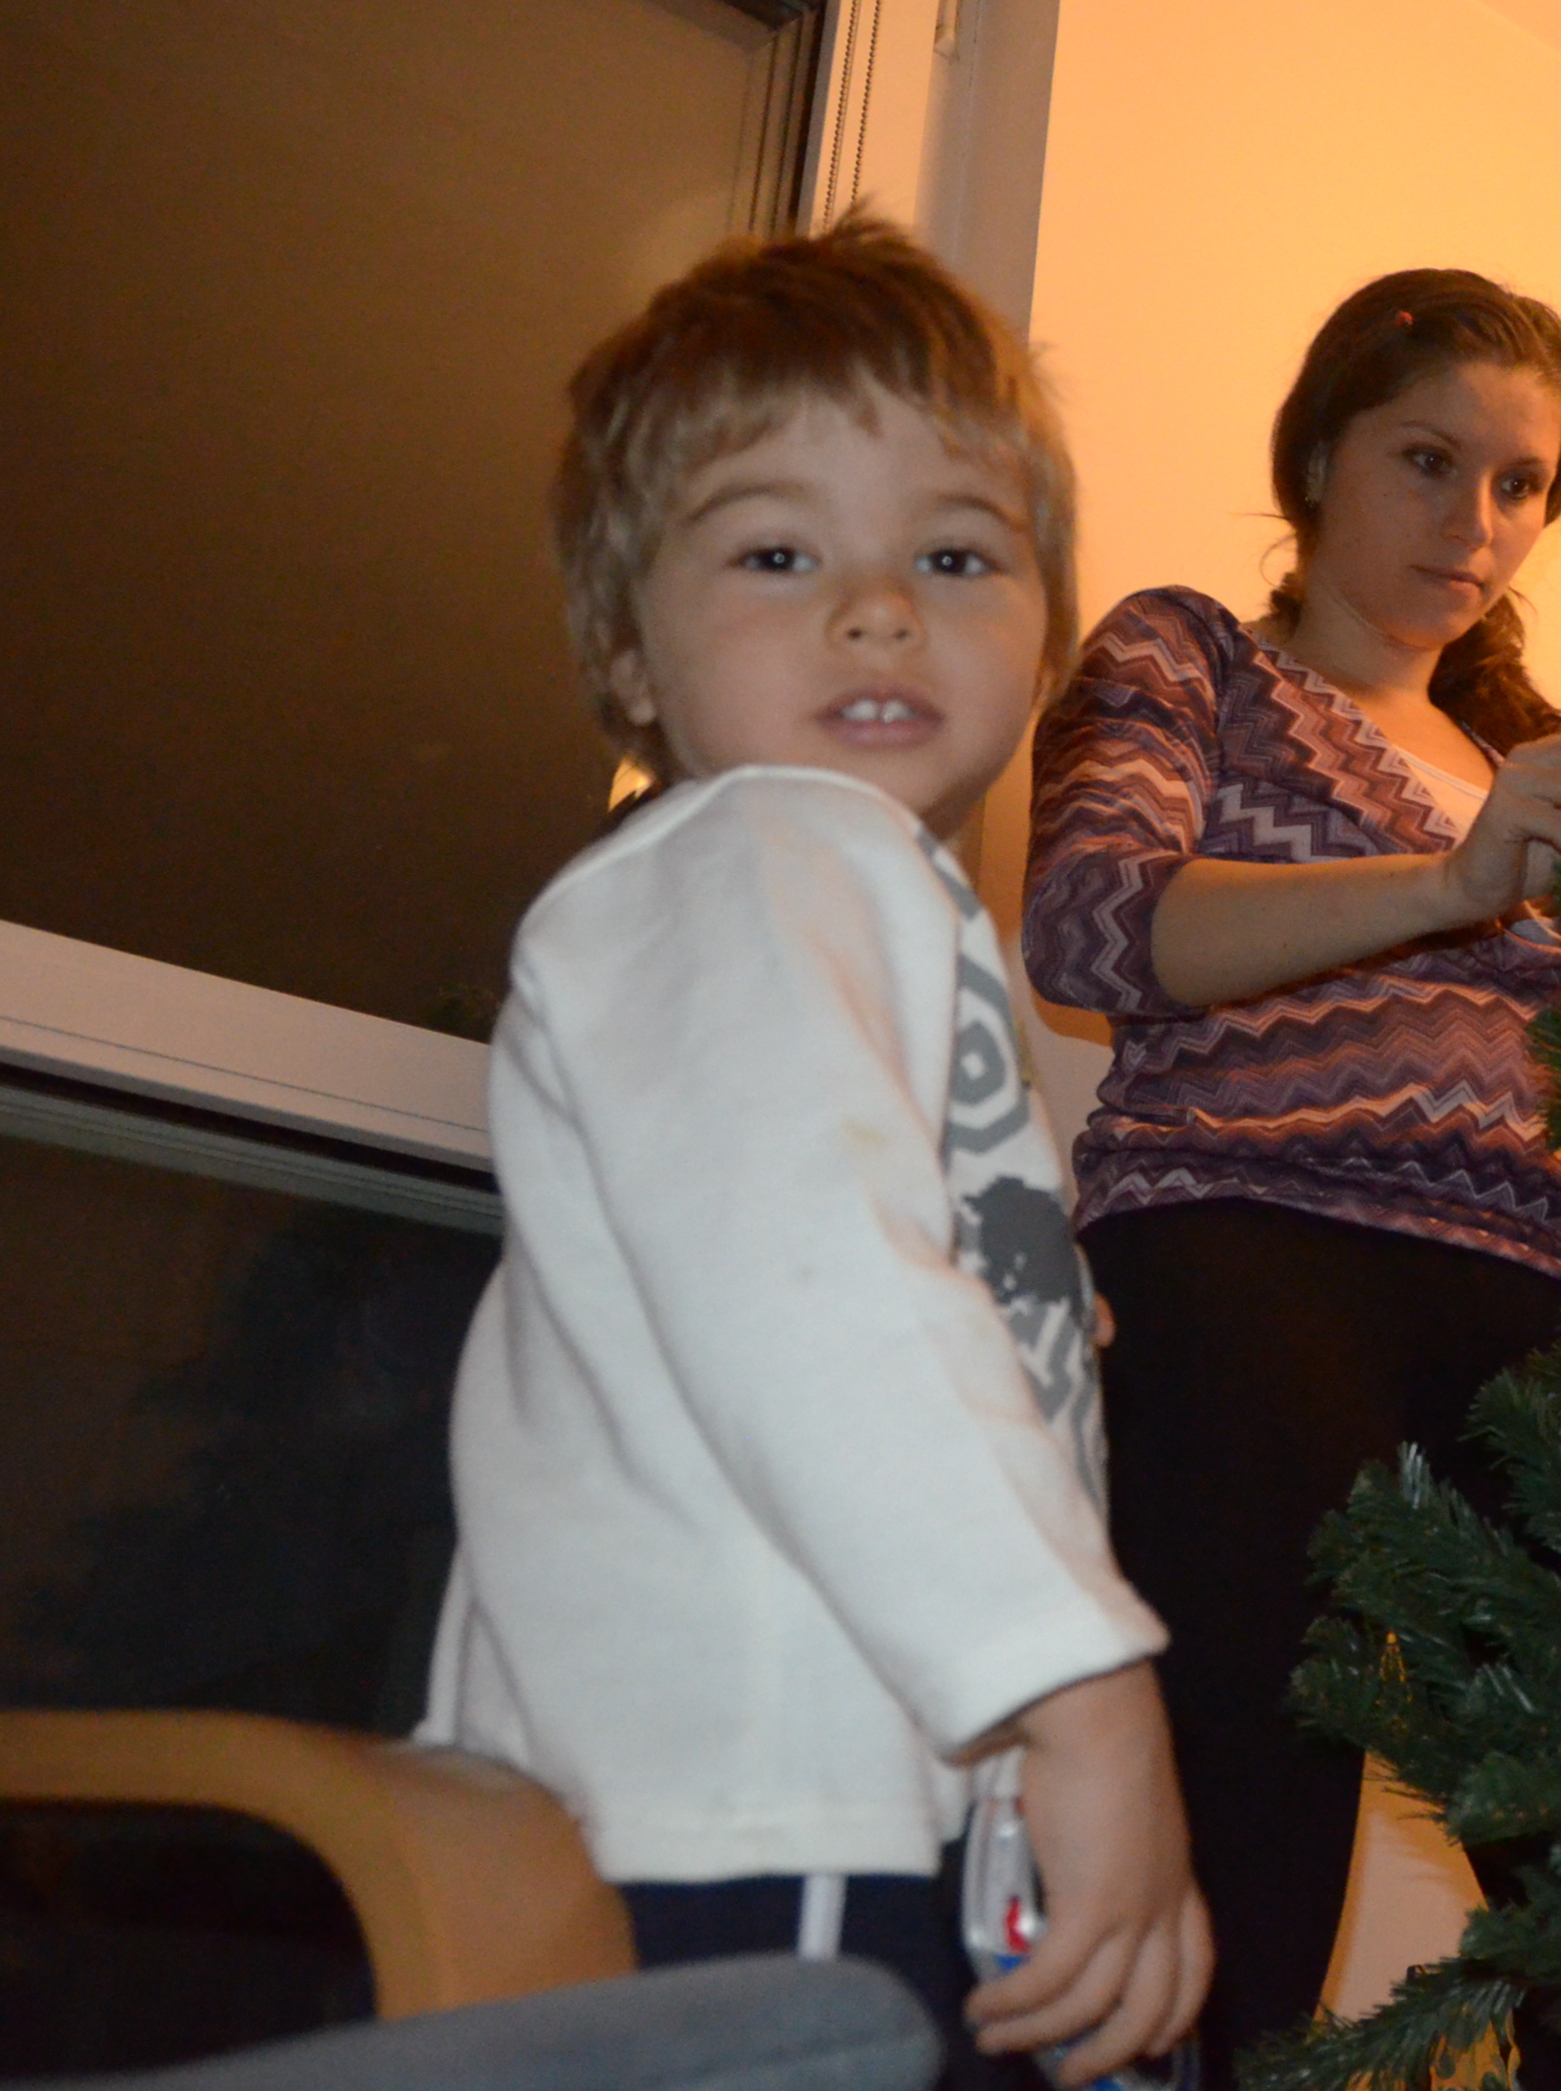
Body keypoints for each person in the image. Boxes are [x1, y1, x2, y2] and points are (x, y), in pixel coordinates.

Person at [422, 219, 1211, 2085]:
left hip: (810, 1796)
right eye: (780, 554)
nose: (877, 610)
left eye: (955, 555)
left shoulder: (838, 904)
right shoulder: (768, 850)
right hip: (768, 1815)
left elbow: (800, 1257)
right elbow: (816, 1289)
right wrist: (1083, 1692)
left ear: (1040, 632)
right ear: (628, 644)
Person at [1024, 270, 1561, 2084]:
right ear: (1316, 458)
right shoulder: (1197, 658)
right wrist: (1457, 882)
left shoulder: (1541, 776)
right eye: (1428, 459)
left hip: (1525, 1303)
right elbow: (1092, 924)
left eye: (1521, 484)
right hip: (1244, 1245)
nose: (1478, 522)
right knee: (1246, 1805)